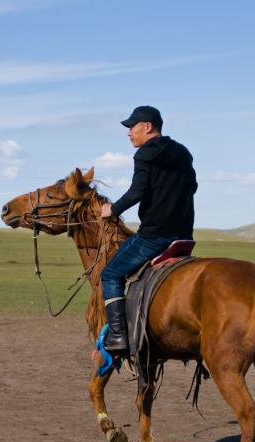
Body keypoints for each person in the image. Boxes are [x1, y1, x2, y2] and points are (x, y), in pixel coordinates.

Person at [100, 105, 198, 354]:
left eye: (132, 126)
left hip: (155, 236)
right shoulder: (183, 153)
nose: (129, 132)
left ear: (148, 126)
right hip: (184, 235)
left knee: (110, 274)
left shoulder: (144, 154)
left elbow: (138, 191)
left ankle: (119, 336)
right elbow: (193, 186)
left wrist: (113, 209)